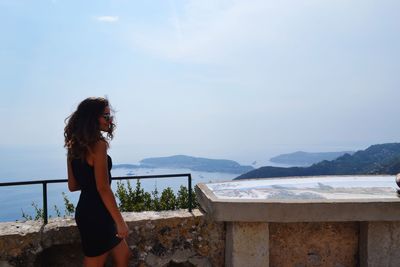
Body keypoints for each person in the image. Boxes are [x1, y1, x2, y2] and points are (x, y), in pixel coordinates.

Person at [64, 97, 131, 267]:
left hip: (87, 211)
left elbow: (73, 186)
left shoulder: (74, 146)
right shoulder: (99, 145)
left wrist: (89, 181)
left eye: (110, 116)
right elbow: (103, 187)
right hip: (98, 214)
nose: (110, 120)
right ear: (92, 118)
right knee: (95, 263)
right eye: (106, 116)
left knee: (124, 256)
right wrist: (120, 222)